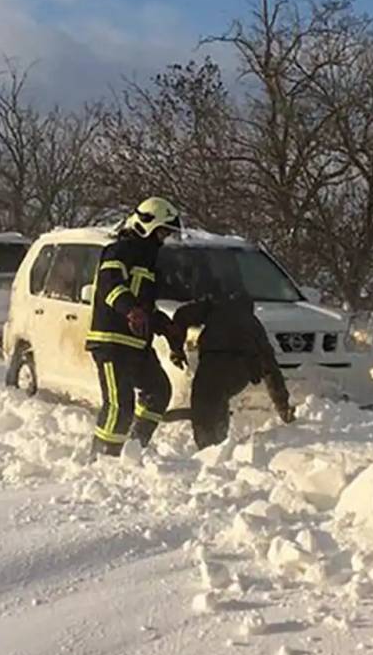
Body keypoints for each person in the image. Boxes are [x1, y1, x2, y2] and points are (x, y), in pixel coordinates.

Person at [86, 196, 183, 458]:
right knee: (120, 405)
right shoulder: (118, 252)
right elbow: (110, 286)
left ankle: (134, 448)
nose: (163, 238)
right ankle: (103, 459)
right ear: (146, 225)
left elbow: (146, 306)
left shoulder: (149, 262)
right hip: (111, 342)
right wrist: (130, 309)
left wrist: (164, 325)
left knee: (159, 391)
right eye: (162, 231)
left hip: (137, 345)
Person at [168, 289, 296, 449]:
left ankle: (207, 446)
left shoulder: (215, 308)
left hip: (212, 364)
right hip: (238, 371)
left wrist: (176, 348)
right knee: (218, 398)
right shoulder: (254, 325)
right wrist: (282, 406)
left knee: (203, 403)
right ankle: (219, 443)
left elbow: (182, 315)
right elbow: (271, 368)